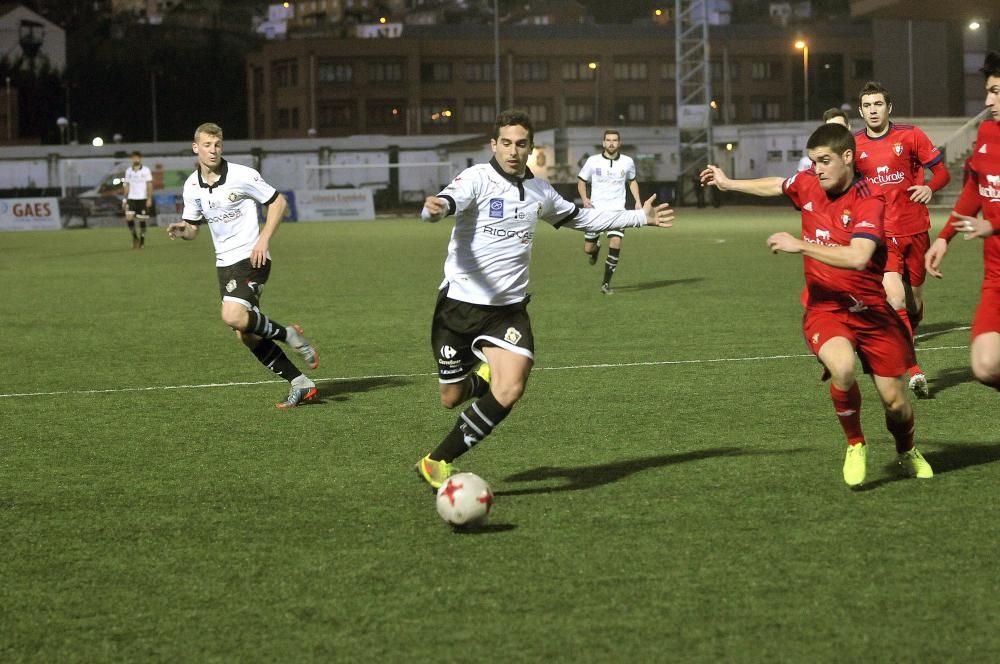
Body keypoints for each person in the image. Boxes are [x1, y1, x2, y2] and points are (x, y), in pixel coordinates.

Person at [415, 110, 676, 489]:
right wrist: (431, 211)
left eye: (521, 144)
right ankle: (482, 378)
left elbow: (581, 218)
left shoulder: (539, 191)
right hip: (458, 307)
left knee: (512, 388)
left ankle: (435, 461)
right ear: (494, 145)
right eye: (506, 142)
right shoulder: (476, 178)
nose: (513, 150)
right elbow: (443, 202)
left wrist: (639, 218)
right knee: (451, 397)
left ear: (531, 148)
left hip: (508, 311)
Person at [700, 123, 933, 488]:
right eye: (813, 161)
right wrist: (730, 184)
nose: (817, 169)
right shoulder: (808, 182)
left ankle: (907, 451)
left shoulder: (869, 200)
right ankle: (856, 443)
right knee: (841, 368)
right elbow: (778, 184)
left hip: (872, 311)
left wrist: (802, 245)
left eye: (824, 161)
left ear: (848, 157)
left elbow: (859, 256)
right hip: (826, 308)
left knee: (896, 404)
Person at [165, 122, 320, 409]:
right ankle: (301, 383)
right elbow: (193, 228)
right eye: (207, 145)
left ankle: (289, 334)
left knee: (232, 316)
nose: (213, 150)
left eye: (218, 145)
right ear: (195, 147)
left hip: (252, 257)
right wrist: (182, 229)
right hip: (224, 264)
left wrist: (263, 239)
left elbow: (278, 203)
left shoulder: (242, 175)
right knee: (245, 334)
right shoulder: (191, 186)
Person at [854, 81, 951, 398]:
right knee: (894, 300)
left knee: (913, 304)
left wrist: (930, 188)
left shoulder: (911, 136)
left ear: (888, 107)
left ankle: (911, 327)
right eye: (867, 106)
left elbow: (942, 173)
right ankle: (915, 370)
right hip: (882, 237)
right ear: (861, 111)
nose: (873, 110)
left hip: (916, 230)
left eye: (878, 104)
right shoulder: (854, 146)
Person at [925, 51, 1000, 391]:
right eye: (988, 90)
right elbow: (974, 187)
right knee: (985, 365)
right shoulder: (986, 133)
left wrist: (994, 225)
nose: (988, 100)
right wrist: (944, 238)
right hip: (996, 278)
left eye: (996, 91)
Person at [577, 129, 642, 294]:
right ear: (603, 143)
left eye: (614, 140)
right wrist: (585, 199)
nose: (611, 143)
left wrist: (638, 201)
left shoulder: (627, 162)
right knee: (587, 249)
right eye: (608, 140)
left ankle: (605, 284)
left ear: (619, 143)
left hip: (617, 211)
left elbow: (632, 181)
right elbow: (581, 180)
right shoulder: (593, 161)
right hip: (595, 211)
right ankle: (595, 249)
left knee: (615, 243)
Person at [122, 150, 153, 249]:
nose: (135, 159)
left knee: (141, 220)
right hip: (131, 198)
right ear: (131, 159)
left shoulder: (146, 170)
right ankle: (135, 238)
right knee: (129, 218)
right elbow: (126, 186)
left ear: (140, 159)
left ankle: (142, 241)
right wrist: (124, 199)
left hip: (142, 199)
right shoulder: (128, 171)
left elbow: (149, 185)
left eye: (137, 157)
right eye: (133, 157)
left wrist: (149, 198)